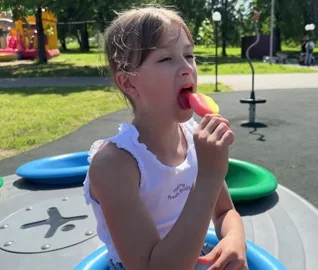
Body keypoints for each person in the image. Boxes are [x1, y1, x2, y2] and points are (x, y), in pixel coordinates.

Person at [83, 5, 248, 270]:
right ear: (129, 83)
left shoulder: (193, 137)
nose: (186, 69)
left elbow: (224, 212)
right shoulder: (114, 165)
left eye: (189, 55)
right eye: (165, 59)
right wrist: (209, 176)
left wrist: (234, 238)